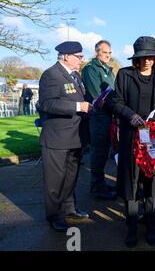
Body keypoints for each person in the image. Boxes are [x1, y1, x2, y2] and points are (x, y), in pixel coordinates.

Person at [107, 36, 155, 247]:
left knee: (152, 183)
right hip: (131, 137)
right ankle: (132, 227)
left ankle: (152, 226)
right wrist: (130, 116)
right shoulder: (125, 74)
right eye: (142, 57)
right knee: (132, 185)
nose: (146, 61)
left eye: (150, 57)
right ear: (136, 58)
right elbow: (115, 102)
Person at [38, 41, 91, 232]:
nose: (81, 60)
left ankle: (69, 209)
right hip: (57, 139)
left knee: (70, 177)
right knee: (55, 181)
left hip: (75, 137)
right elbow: (46, 104)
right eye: (79, 56)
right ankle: (54, 216)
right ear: (66, 56)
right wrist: (77, 107)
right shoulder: (51, 74)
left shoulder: (75, 75)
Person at [82, 40, 117, 200]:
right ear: (97, 52)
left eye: (109, 53)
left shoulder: (109, 70)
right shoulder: (90, 69)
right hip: (98, 116)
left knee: (104, 152)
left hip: (108, 116)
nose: (108, 55)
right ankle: (97, 187)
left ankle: (101, 183)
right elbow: (98, 95)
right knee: (98, 152)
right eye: (105, 52)